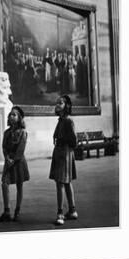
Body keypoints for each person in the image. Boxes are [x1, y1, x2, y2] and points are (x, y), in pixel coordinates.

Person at [0, 106, 30, 222]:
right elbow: (4, 147)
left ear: (19, 118)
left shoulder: (23, 132)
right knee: (4, 183)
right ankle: (7, 211)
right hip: (8, 160)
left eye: (14, 115)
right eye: (10, 114)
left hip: (18, 162)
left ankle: (17, 210)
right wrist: (6, 158)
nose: (11, 116)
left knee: (19, 185)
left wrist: (13, 160)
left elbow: (21, 149)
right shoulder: (7, 133)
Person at [49, 95, 78, 225]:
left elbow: (74, 141)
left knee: (60, 184)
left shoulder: (68, 121)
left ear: (66, 105)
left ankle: (60, 213)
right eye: (57, 103)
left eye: (60, 103)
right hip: (60, 152)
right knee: (66, 183)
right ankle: (72, 211)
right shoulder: (61, 120)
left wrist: (62, 142)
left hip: (64, 153)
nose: (57, 105)